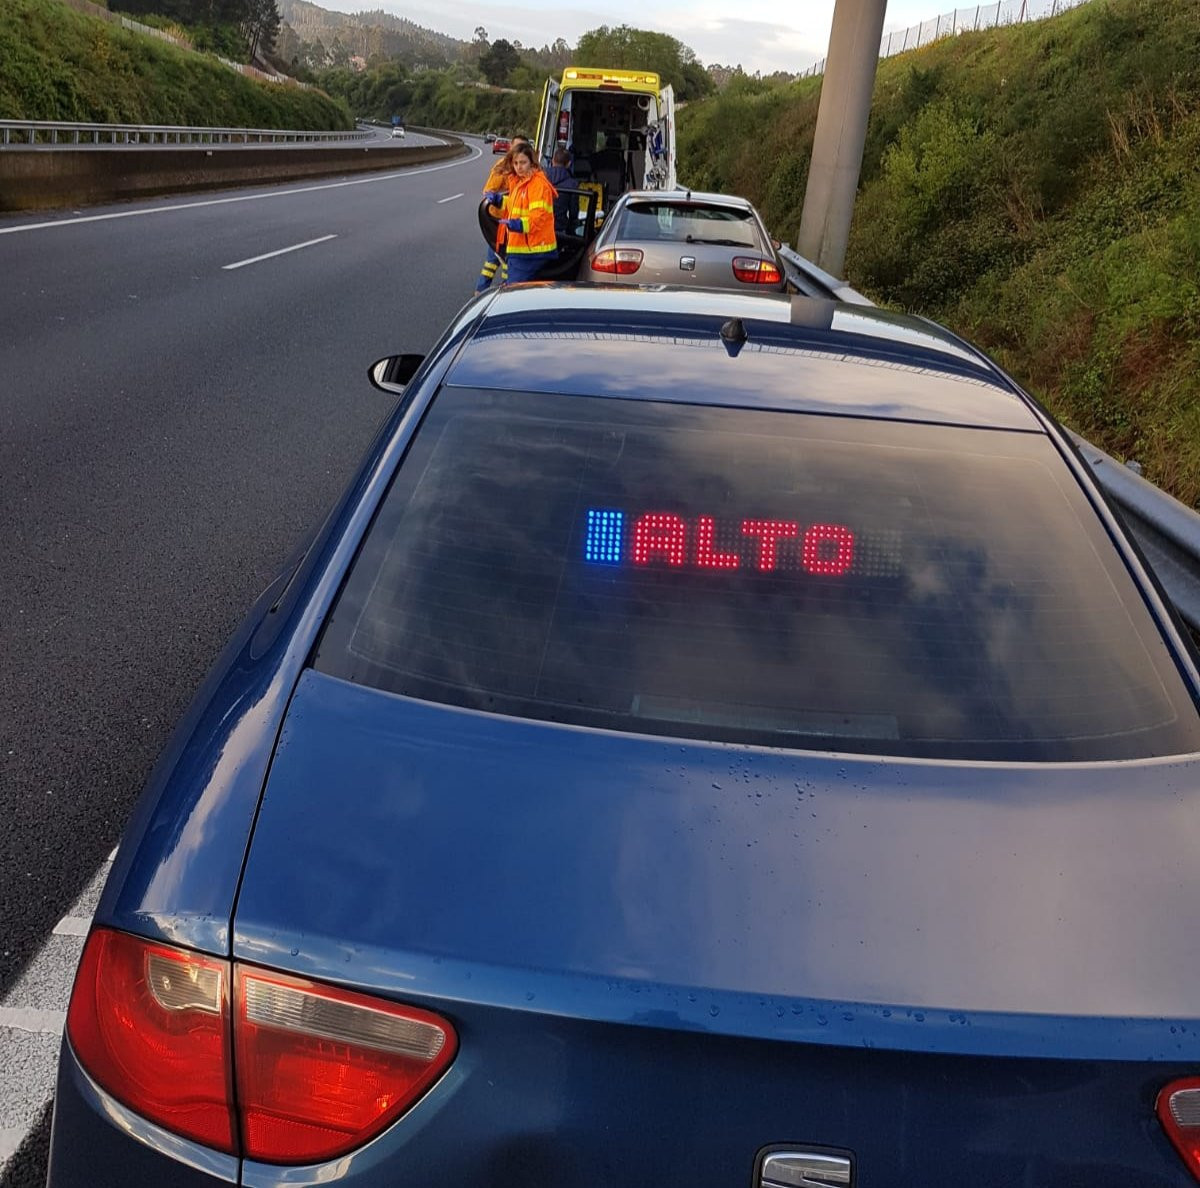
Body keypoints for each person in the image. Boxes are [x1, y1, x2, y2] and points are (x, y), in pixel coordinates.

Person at [474, 136, 531, 294]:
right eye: (516, 147)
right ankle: (485, 294)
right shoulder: (503, 167)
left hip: (513, 222)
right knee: (497, 260)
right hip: (500, 221)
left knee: (498, 260)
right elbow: (489, 190)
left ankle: (494, 292)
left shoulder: (525, 169)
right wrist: (498, 199)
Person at [498, 141, 558, 285]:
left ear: (532, 163)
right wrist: (499, 201)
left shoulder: (538, 184)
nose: (519, 167)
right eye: (516, 163)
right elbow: (516, 206)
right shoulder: (519, 182)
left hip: (531, 251)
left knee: (513, 295)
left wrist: (517, 225)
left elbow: (538, 218)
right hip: (521, 249)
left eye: (523, 162)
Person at [544, 147, 574, 237]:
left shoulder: (540, 177)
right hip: (559, 229)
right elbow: (574, 212)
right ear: (569, 164)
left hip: (539, 227)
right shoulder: (572, 184)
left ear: (552, 160)